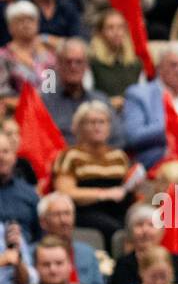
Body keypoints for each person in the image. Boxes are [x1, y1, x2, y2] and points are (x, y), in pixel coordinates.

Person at [51, 100, 134, 245]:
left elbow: (127, 187)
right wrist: (103, 194)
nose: (97, 127)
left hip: (120, 209)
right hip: (86, 211)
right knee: (115, 229)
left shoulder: (119, 156)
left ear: (109, 127)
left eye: (102, 122)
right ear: (78, 127)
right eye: (91, 122)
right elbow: (65, 192)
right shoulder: (70, 155)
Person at [122, 41, 178, 170]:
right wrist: (172, 127)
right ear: (160, 67)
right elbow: (133, 136)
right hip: (158, 163)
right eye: (173, 65)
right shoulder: (139, 94)